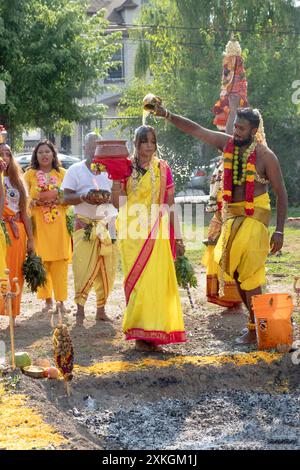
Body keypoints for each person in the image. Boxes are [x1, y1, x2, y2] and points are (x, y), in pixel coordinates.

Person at [155, 105, 288, 345]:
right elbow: (196, 130)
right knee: (235, 271)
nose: (236, 131)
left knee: (248, 272)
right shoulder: (228, 145)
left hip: (255, 218)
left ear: (254, 130)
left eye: (241, 128)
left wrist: (279, 230)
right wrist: (167, 114)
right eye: (235, 126)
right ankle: (258, 324)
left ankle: (257, 328)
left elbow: (282, 193)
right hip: (232, 217)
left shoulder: (266, 156)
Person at [112, 125, 186, 351]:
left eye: (153, 142)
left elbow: (170, 204)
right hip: (132, 232)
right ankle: (140, 334)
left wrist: (179, 237)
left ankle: (155, 333)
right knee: (139, 284)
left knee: (156, 284)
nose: (150, 146)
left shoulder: (163, 168)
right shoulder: (125, 167)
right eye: (145, 141)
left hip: (157, 232)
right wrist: (115, 181)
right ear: (136, 143)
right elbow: (118, 204)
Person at [62, 132, 118, 326]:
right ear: (84, 148)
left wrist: (109, 198)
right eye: (91, 146)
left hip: (107, 226)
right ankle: (80, 312)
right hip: (84, 225)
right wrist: (83, 196)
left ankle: (101, 311)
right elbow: (66, 198)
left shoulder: (110, 171)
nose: (95, 150)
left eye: (98, 147)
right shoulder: (75, 170)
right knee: (82, 269)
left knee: (107, 269)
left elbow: (120, 197)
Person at [24, 140, 72, 313]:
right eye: (40, 152)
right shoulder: (29, 174)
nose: (44, 155)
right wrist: (34, 201)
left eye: (47, 151)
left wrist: (60, 200)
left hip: (58, 223)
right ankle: (47, 300)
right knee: (42, 260)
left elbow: (68, 198)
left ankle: (60, 301)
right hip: (39, 224)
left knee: (60, 262)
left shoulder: (63, 174)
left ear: (53, 154)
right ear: (36, 156)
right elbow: (25, 199)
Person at [0, 144, 34, 326]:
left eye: (8, 154)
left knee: (14, 272)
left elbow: (25, 213)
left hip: (15, 233)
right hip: (0, 230)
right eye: (0, 154)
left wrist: (31, 240)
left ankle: (12, 314)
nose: (4, 157)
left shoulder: (17, 182)